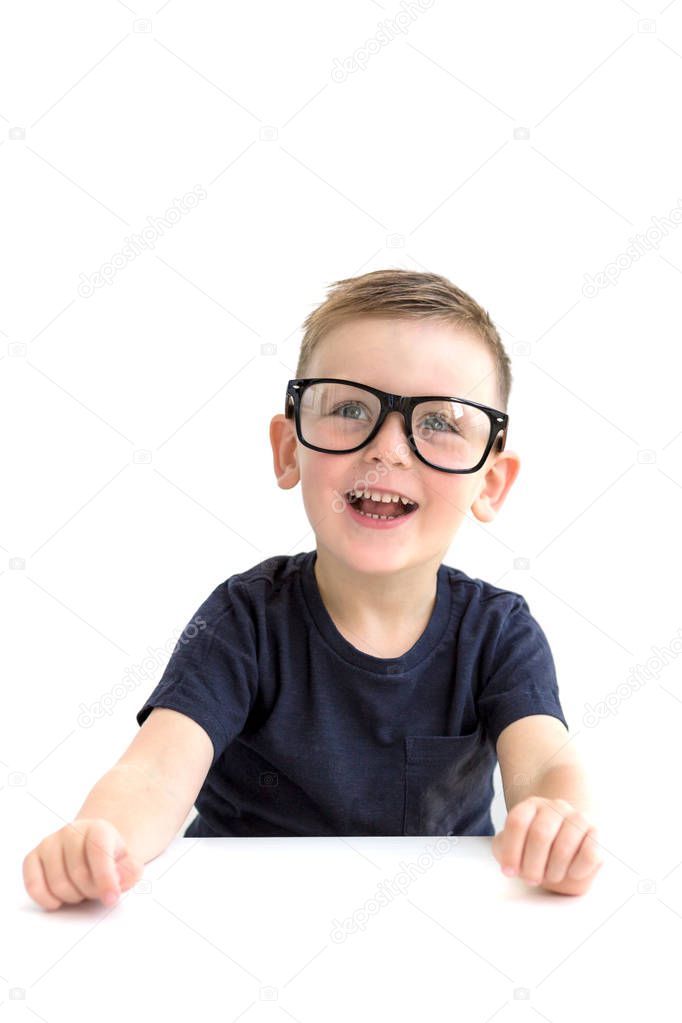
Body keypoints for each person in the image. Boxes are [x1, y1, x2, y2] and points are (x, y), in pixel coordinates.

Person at [22, 269, 603, 911]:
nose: (389, 449)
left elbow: (545, 763)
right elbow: (156, 771)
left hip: (435, 917)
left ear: (490, 483)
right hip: (244, 913)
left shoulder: (497, 631)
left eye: (440, 420)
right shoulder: (244, 619)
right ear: (288, 450)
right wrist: (101, 838)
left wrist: (559, 823)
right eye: (350, 408)